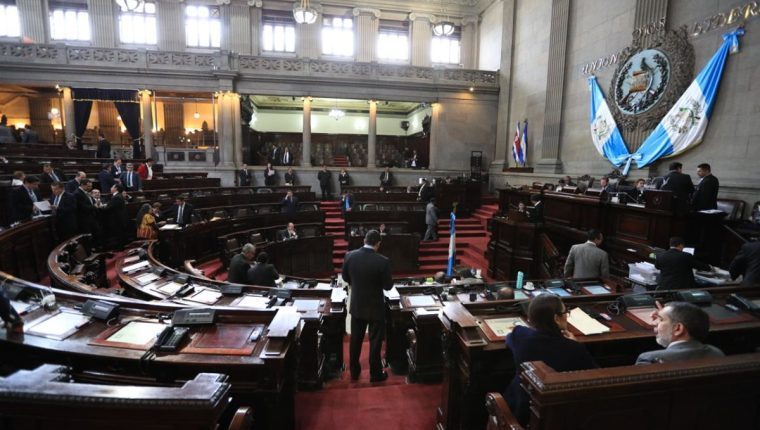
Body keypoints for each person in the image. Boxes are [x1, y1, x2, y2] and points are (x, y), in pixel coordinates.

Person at [504, 294, 597, 425]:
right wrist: (575, 344)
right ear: (556, 319)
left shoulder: (519, 335)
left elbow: (509, 339)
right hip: (556, 416)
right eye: (565, 312)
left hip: (519, 406)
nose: (567, 315)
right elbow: (596, 375)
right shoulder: (574, 349)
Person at [342, 230, 393, 382]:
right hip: (375, 307)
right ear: (378, 243)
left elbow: (345, 277)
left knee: (355, 340)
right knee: (375, 341)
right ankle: (375, 374)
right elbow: (388, 286)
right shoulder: (383, 261)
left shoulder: (349, 256)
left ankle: (354, 372)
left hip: (357, 305)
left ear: (364, 240)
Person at [635, 301, 724, 365]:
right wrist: (668, 317)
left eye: (661, 320)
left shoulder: (649, 359)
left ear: (678, 329)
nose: (655, 323)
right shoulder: (717, 353)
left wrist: (669, 317)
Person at [105, 184, 128, 250]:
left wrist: (98, 208)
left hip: (117, 220)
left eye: (112, 186)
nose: (110, 188)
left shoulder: (117, 197)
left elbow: (109, 208)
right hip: (119, 219)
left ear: (116, 188)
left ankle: (119, 248)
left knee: (118, 235)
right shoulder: (118, 196)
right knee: (119, 234)